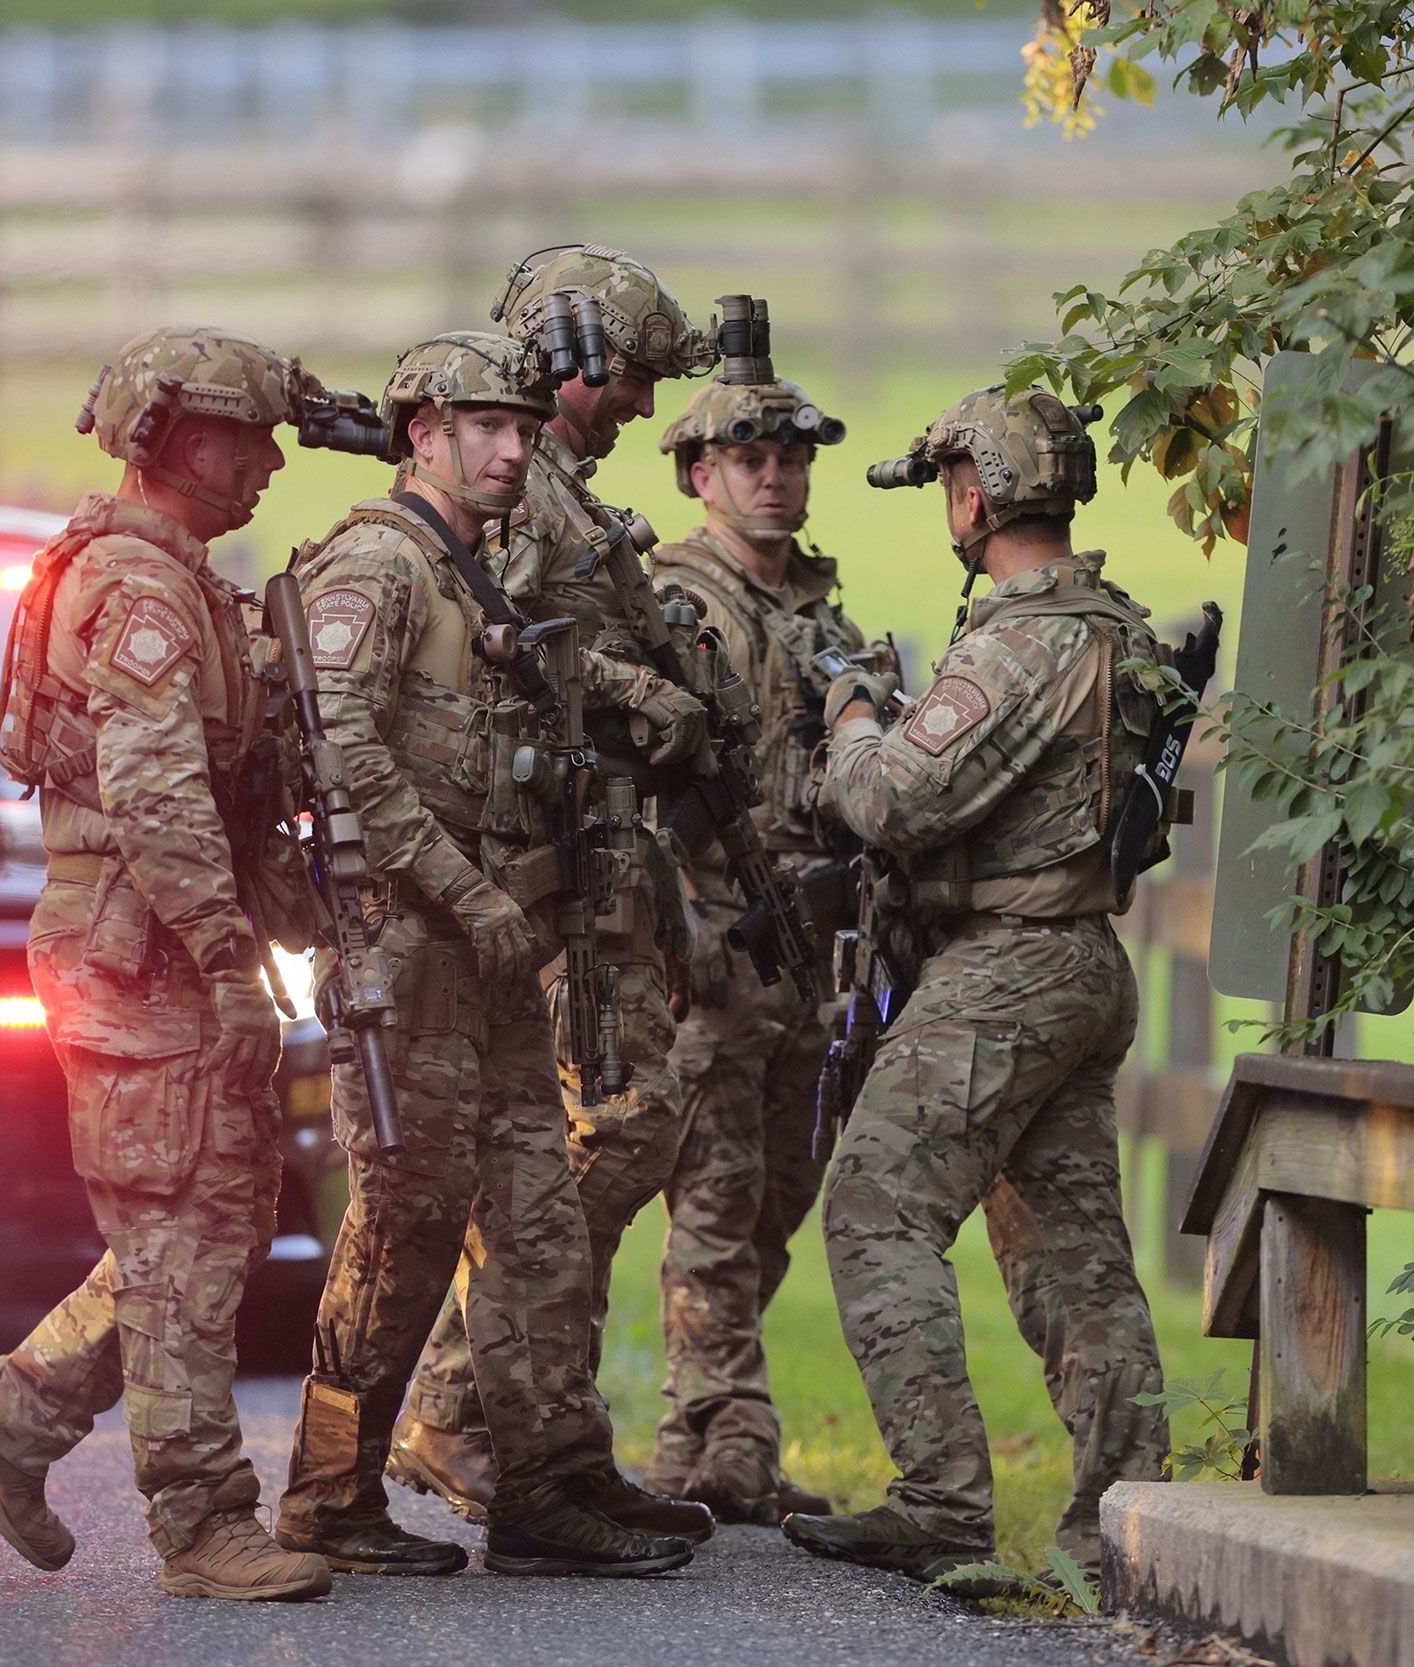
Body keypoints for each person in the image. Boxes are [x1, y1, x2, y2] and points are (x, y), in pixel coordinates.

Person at [272, 331, 703, 1576]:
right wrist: (465, 890)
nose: (519, 449)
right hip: (412, 948)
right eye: (489, 429)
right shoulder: (379, 562)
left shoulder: (471, 574)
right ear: (423, 434)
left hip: (499, 950)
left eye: (524, 427)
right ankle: (327, 1493)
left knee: (537, 1219)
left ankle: (549, 1484)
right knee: (406, 1221)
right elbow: (340, 742)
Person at [0, 326, 330, 1602]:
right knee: (180, 1238)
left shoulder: (184, 577)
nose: (267, 459)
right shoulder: (139, 590)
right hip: (142, 952)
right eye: (245, 434)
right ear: (174, 438)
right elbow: (159, 798)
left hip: (160, 943)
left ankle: (10, 1409)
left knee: (206, 1217)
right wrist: (224, 963)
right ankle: (201, 1520)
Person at [783, 387, 1170, 1580]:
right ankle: (1129, 1523)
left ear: (974, 497)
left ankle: (941, 1497)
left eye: (952, 487)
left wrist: (850, 716)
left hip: (1006, 967)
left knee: (874, 1203)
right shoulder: (1120, 624)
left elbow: (893, 799)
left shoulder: (1020, 640)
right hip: (1083, 961)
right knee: (1071, 1252)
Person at [386, 245, 719, 1525]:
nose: (641, 403)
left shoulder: (566, 492)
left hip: (601, 856)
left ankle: (537, 1430)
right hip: (541, 867)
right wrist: (649, 697)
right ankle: (468, 1402)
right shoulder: (524, 500)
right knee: (607, 1131)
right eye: (630, 375)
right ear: (572, 360)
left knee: (610, 1133)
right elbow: (505, 658)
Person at [641, 368, 879, 1523]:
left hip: (812, 948)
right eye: (749, 458)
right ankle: (731, 1432)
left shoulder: (821, 615)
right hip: (711, 940)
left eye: (790, 457)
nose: (775, 476)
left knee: (780, 1189)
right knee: (716, 1195)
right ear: (701, 475)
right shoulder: (671, 602)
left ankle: (694, 1432)